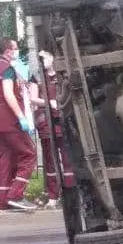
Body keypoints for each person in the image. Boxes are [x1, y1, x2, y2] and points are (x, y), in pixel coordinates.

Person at [0, 37, 38, 213]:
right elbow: (8, 94)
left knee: (4, 158)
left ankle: (0, 200)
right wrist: (21, 117)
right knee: (29, 155)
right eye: (15, 48)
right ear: (8, 51)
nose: (17, 51)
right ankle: (16, 195)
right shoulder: (7, 69)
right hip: (9, 123)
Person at [27, 50, 72, 209]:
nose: (41, 61)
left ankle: (71, 194)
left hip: (63, 120)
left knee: (68, 158)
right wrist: (49, 102)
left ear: (52, 58)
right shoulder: (37, 77)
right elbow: (32, 98)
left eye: (44, 57)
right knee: (50, 160)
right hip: (45, 122)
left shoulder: (62, 75)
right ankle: (53, 196)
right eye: (39, 58)